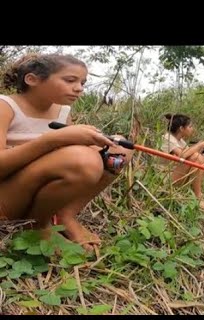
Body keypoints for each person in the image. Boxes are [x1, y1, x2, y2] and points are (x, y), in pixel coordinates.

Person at [0, 53, 133, 252]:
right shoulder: (6, 106)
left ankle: (64, 215)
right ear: (32, 79)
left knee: (118, 150)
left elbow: (66, 154)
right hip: (8, 199)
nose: (79, 88)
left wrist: (93, 143)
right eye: (70, 80)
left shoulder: (62, 112)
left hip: (34, 189)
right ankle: (36, 226)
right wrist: (54, 140)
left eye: (83, 82)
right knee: (84, 160)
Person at [160, 113, 204, 211]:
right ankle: (198, 196)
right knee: (196, 157)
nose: (192, 129)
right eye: (190, 126)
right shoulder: (167, 138)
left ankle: (195, 189)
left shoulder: (181, 141)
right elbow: (183, 156)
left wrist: (201, 147)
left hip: (177, 174)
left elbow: (189, 154)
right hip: (166, 178)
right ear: (181, 128)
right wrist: (200, 145)